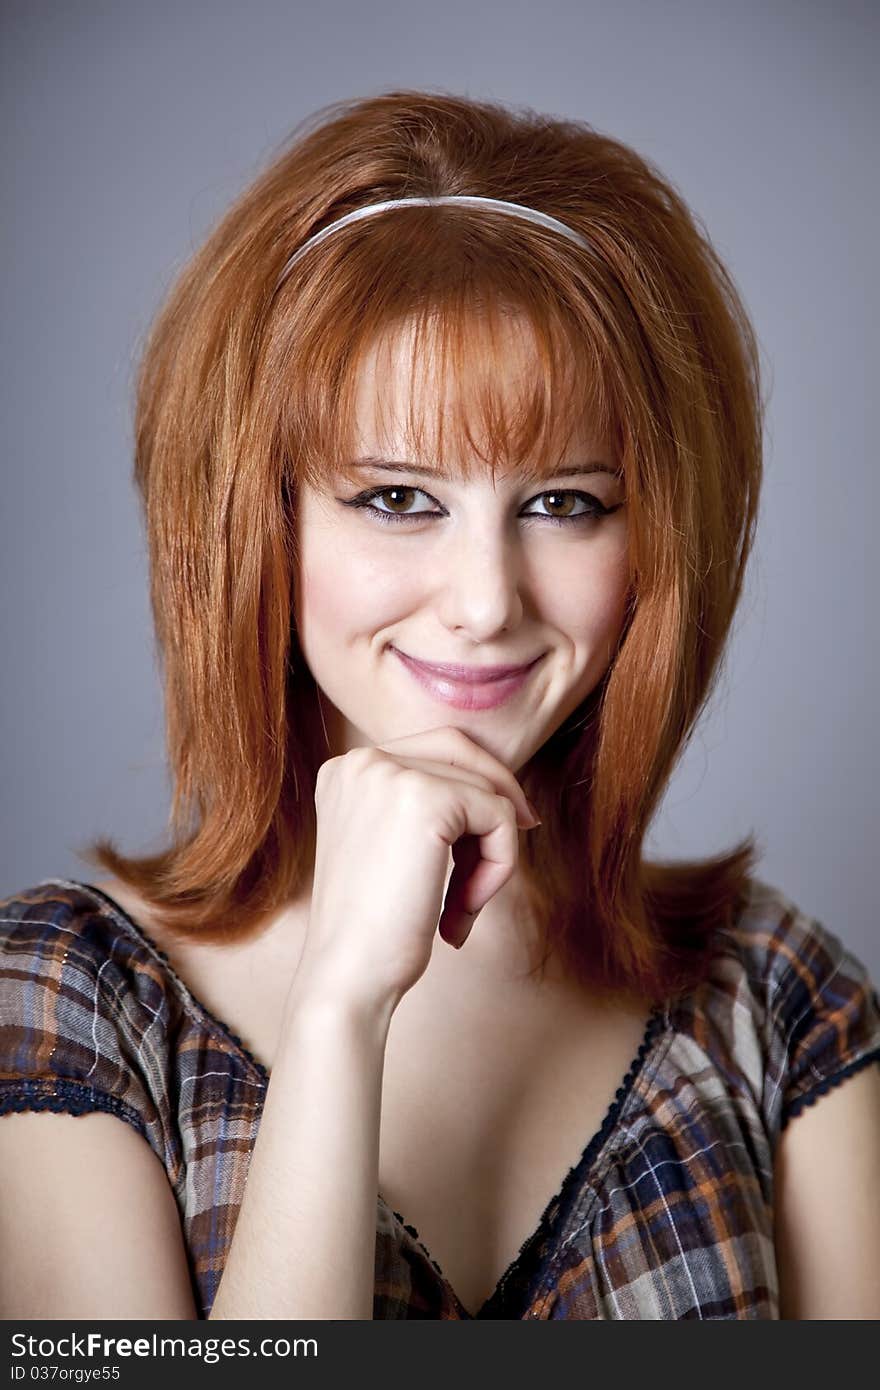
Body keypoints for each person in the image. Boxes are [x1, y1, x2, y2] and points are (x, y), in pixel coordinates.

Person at [1, 89, 878, 1323]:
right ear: (263, 517)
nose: (482, 602)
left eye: (566, 501)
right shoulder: (66, 1003)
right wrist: (337, 1017)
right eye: (399, 497)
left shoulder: (776, 1003)